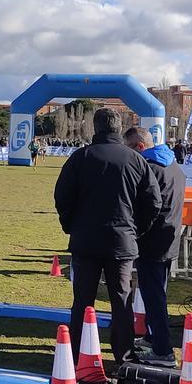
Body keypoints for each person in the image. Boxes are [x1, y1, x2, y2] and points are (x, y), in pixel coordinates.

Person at [55, 108, 161, 367]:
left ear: (95, 127)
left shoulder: (80, 157)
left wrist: (71, 225)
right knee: (121, 300)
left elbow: (62, 197)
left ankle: (78, 351)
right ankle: (123, 355)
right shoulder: (135, 160)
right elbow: (154, 201)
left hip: (87, 240)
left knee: (83, 300)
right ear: (117, 127)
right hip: (121, 241)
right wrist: (136, 230)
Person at [126, 127, 186, 368]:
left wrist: (136, 232)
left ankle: (163, 351)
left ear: (140, 147)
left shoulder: (150, 169)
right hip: (168, 239)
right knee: (157, 291)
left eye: (130, 149)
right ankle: (153, 338)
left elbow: (146, 207)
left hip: (152, 241)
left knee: (154, 296)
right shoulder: (173, 166)